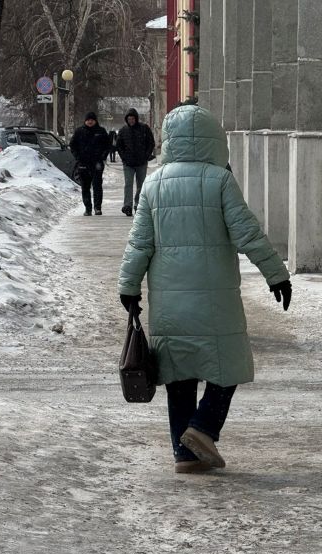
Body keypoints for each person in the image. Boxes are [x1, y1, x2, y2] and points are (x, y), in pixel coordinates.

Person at [118, 105, 292, 474]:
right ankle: (202, 428)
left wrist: (129, 288)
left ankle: (186, 456)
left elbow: (139, 245)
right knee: (228, 369)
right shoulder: (220, 180)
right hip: (216, 302)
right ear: (216, 140)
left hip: (169, 303)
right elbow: (247, 233)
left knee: (178, 378)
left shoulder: (153, 183)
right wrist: (276, 274)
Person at [116, 108, 155, 217]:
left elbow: (150, 143)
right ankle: (127, 205)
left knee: (141, 184)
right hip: (128, 163)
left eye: (133, 118)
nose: (131, 121)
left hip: (141, 162)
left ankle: (138, 204)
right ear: (126, 120)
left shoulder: (144, 129)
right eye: (129, 119)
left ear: (136, 119)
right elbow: (119, 146)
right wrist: (124, 158)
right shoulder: (123, 131)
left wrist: (146, 156)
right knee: (128, 184)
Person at [69, 111, 111, 216]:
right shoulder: (79, 131)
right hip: (83, 163)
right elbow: (72, 145)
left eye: (92, 120)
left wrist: (103, 156)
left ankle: (98, 208)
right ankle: (88, 208)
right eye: (88, 120)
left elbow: (107, 145)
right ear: (85, 121)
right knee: (85, 186)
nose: (90, 122)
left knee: (97, 186)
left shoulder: (101, 131)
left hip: (97, 163)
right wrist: (78, 157)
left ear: (95, 121)